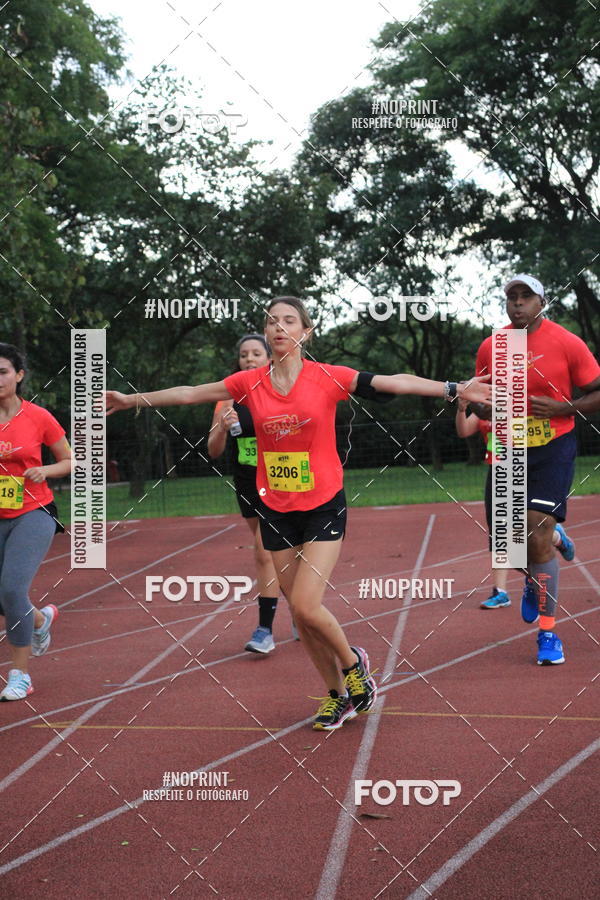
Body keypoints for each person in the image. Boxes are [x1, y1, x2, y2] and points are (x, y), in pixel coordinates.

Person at [107, 296, 491, 730]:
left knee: (308, 606)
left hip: (323, 503)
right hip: (275, 507)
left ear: (305, 332)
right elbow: (190, 393)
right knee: (300, 615)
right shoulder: (248, 382)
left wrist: (453, 388)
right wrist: (130, 399)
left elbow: (393, 382)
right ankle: (336, 694)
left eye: (289, 320)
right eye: (271, 321)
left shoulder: (328, 377)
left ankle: (354, 664)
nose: (278, 327)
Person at [476, 274, 600, 664]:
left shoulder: (567, 342)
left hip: (552, 445)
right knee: (509, 552)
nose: (517, 303)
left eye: (525, 296)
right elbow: (479, 397)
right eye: (511, 297)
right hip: (506, 448)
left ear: (541, 302)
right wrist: (477, 404)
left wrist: (566, 407)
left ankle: (548, 634)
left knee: (535, 531)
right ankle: (550, 548)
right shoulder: (492, 346)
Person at [0, 344, 72, 701]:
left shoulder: (38, 416)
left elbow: (69, 461)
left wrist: (46, 470)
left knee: (12, 590)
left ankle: (20, 675)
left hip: (34, 511)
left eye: (2, 372)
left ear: (19, 375)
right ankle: (40, 620)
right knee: (2, 597)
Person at [455, 398, 576, 610]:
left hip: (525, 468)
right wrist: (461, 408)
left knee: (524, 533)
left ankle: (555, 539)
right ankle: (501, 592)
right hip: (498, 472)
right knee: (500, 534)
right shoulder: (484, 409)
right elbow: (463, 431)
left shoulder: (521, 406)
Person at [207, 333, 285, 654]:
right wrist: (222, 427)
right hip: (247, 479)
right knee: (276, 554)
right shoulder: (227, 398)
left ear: (269, 358)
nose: (249, 359)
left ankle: (264, 630)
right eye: (243, 355)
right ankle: (301, 609)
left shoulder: (281, 391)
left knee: (264, 552)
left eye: (256, 353)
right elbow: (213, 450)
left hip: (279, 478)